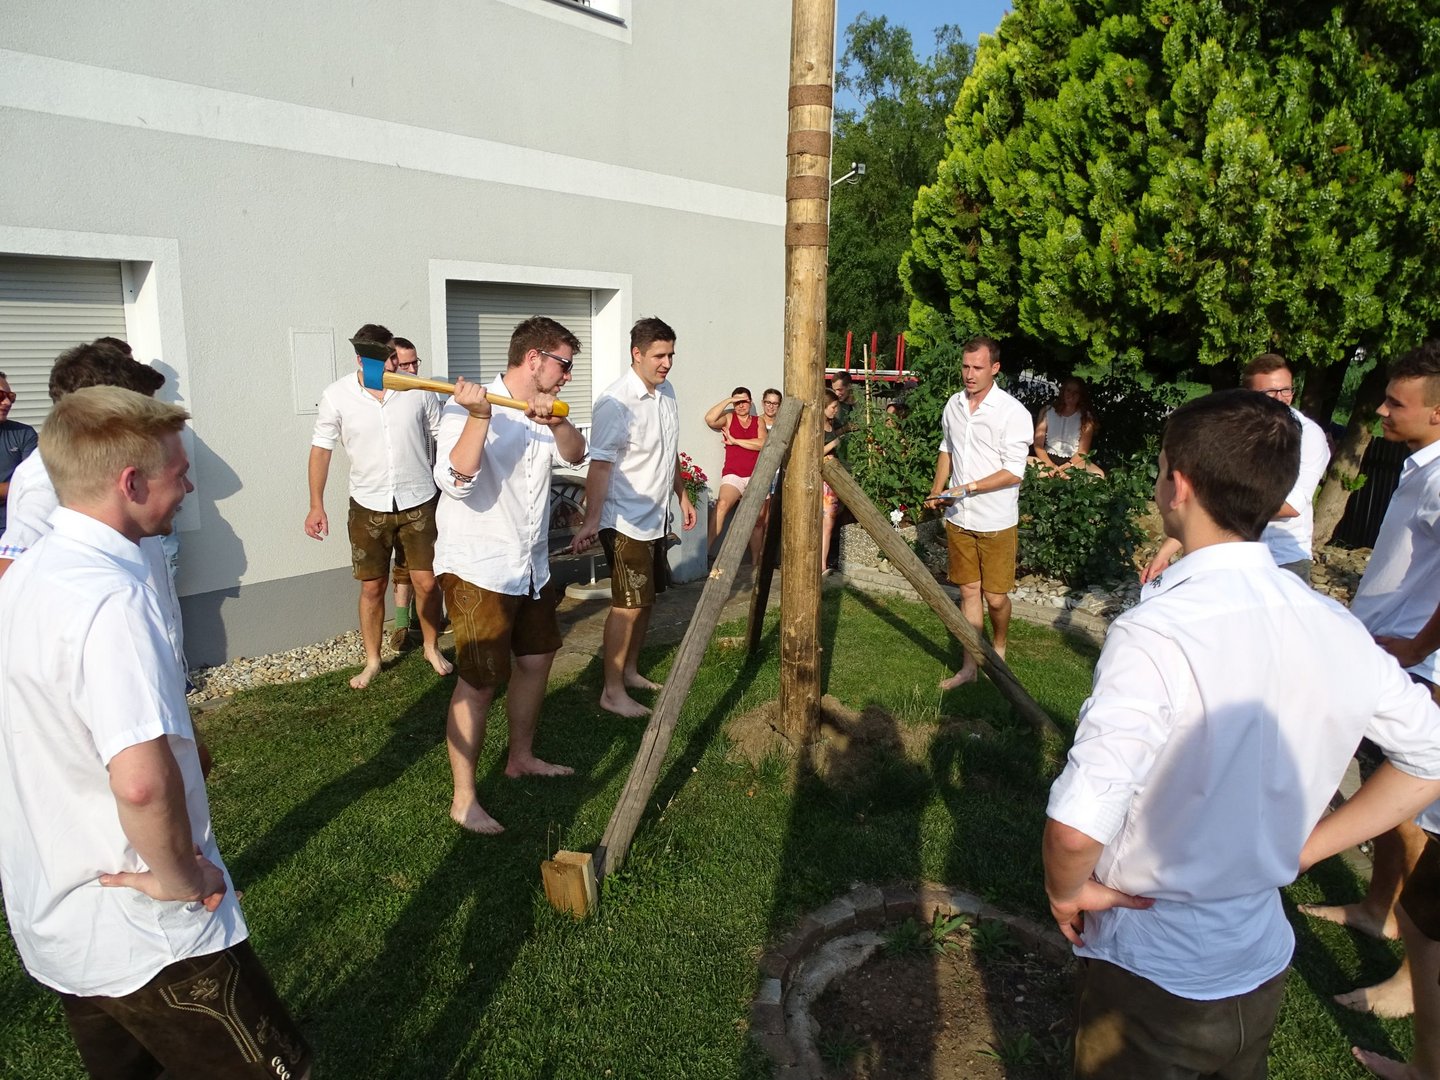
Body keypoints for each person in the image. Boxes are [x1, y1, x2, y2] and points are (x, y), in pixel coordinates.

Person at [1043, 388, 1440, 1080]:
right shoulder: (1335, 627)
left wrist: (1065, 888)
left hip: (1152, 966)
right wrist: (1307, 849)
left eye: (1161, 468)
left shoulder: (1157, 632)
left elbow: (1076, 830)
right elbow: (1430, 756)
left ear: (1179, 487)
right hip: (1258, 961)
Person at [0, 386, 311, 1079]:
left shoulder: (24, 575)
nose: (189, 486)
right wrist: (181, 877)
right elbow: (139, 783)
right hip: (148, 932)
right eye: (179, 472)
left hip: (60, 914)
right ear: (131, 483)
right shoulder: (112, 598)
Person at [1297, 342, 1440, 1076]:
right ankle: (1377, 908)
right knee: (1393, 807)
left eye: (1396, 402)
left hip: (1423, 676)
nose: (1381, 409)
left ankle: (1413, 978)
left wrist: (1417, 646)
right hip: (1394, 660)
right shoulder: (1420, 466)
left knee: (1417, 816)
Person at [434, 316, 587, 833]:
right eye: (564, 364)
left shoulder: (544, 410)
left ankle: (520, 757)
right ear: (534, 358)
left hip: (530, 566)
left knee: (538, 659)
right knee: (479, 683)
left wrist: (557, 423)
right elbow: (456, 480)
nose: (568, 375)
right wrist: (479, 417)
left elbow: (576, 454)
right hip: (478, 567)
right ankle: (463, 799)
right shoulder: (464, 406)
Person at [305, 325, 450, 688]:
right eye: (379, 358)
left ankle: (431, 646)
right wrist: (316, 505)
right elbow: (321, 450)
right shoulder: (337, 395)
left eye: (391, 356)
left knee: (427, 583)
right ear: (360, 359)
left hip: (419, 500)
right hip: (367, 504)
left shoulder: (417, 389)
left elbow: (444, 437)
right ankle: (372, 660)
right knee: (372, 587)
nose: (389, 364)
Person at [572, 317, 697, 719]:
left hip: (655, 517)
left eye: (671, 355)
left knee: (645, 601)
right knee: (627, 605)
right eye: (659, 356)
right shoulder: (616, 402)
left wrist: (682, 495)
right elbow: (600, 466)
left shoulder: (667, 392)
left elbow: (669, 451)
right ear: (637, 354)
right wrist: (592, 521)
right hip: (624, 520)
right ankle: (611, 692)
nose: (667, 363)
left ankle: (629, 671)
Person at [1143, 353, 1332, 584]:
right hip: (1225, 554)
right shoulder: (1233, 434)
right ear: (1247, 395)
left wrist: (1214, 502)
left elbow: (1292, 505)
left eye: (1286, 390)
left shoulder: (1308, 435)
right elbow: (1202, 495)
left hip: (1282, 559)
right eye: (1270, 393)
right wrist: (1166, 552)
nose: (1280, 398)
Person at [923, 336, 1033, 690]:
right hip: (959, 517)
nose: (969, 374)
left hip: (996, 520)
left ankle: (998, 648)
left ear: (995, 368)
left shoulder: (1013, 413)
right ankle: (970, 665)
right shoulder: (954, 405)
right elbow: (947, 448)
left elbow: (1013, 472)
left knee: (996, 598)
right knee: (969, 592)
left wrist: (966, 487)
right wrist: (938, 489)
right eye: (965, 366)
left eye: (978, 367)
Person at [386, 338, 433, 651]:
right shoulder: (381, 401)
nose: (413, 369)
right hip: (394, 495)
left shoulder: (425, 392)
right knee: (403, 562)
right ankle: (402, 626)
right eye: (406, 364)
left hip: (428, 488)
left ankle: (425, 621)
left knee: (427, 563)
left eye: (416, 362)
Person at [704, 386, 766, 565]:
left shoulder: (758, 421)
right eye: (737, 402)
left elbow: (762, 443)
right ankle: (704, 554)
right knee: (722, 505)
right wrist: (728, 401)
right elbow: (710, 419)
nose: (740, 405)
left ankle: (754, 563)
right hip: (734, 474)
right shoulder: (730, 418)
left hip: (755, 475)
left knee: (757, 520)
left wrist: (735, 441)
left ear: (750, 402)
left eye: (744, 401)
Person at [1032, 377, 1104, 478]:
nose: (1071, 395)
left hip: (1074, 461)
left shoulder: (1086, 418)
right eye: (1068, 390)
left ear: (1081, 396)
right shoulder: (1047, 411)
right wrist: (1050, 465)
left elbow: (1083, 451)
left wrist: (1069, 466)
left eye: (1076, 392)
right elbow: (1038, 445)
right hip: (1047, 458)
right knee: (1021, 464)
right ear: (1063, 392)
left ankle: (1065, 476)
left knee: (1098, 475)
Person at [0, 371, 38, 534]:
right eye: (1, 396)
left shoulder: (24, 434)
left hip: (11, 529)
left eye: (11, 396)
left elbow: (33, 485)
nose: (7, 402)